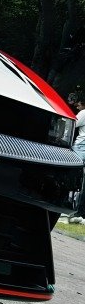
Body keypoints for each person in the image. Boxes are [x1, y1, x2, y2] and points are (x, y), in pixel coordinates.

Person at [70, 92, 85, 222]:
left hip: (80, 148)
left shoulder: (83, 113)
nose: (77, 106)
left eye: (78, 104)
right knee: (82, 180)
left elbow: (72, 124)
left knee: (73, 175)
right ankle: (78, 210)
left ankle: (69, 205)